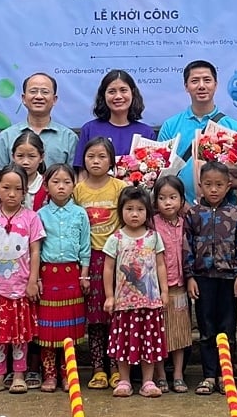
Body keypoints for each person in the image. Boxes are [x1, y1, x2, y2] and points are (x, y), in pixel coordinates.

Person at [0, 164, 45, 394]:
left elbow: (35, 251)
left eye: (18, 189)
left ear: (25, 191)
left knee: (20, 336)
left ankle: (18, 375)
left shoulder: (32, 218)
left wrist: (33, 281)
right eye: (6, 188)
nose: (12, 193)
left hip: (21, 287)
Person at [183, 160, 237, 396]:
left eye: (219, 185)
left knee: (227, 328)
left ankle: (225, 374)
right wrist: (189, 276)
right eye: (208, 184)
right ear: (199, 186)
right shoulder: (193, 214)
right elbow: (186, 247)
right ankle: (209, 375)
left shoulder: (234, 214)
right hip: (202, 279)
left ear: (229, 186)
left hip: (228, 279)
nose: (213, 189)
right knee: (206, 328)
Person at [104, 186, 169, 398]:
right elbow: (108, 268)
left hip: (150, 301)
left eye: (140, 209)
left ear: (148, 212)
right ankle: (124, 380)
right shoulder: (116, 238)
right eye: (129, 209)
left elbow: (160, 265)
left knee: (148, 341)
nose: (134, 214)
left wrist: (164, 291)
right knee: (124, 340)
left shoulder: (153, 237)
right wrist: (110, 296)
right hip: (124, 303)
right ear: (121, 211)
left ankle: (148, 381)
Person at [73, 137, 127, 389]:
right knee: (95, 319)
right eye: (91, 156)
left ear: (111, 160)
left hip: (116, 258)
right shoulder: (78, 190)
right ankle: (98, 369)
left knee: (114, 315)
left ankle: (116, 366)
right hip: (89, 258)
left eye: (102, 156)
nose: (96, 161)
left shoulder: (120, 187)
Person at [157, 60, 237, 204]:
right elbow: (161, 174)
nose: (201, 86)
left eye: (207, 80)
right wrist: (181, 205)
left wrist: (223, 181)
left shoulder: (234, 127)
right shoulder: (170, 126)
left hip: (223, 212)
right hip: (178, 212)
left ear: (215, 85)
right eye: (195, 81)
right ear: (186, 87)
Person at [35, 163, 90, 392]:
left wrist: (84, 275)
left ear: (73, 185)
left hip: (72, 275)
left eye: (66, 182)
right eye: (56, 182)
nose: (61, 187)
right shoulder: (39, 215)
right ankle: (49, 375)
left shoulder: (80, 214)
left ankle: (69, 374)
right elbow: (35, 249)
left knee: (69, 329)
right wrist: (36, 277)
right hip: (48, 275)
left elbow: (85, 247)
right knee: (48, 329)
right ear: (46, 186)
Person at [153, 175, 192, 393]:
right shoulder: (152, 224)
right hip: (157, 289)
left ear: (181, 199)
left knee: (180, 332)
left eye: (173, 197)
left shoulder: (187, 223)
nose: (168, 202)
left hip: (181, 287)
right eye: (162, 198)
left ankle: (178, 374)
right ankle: (160, 375)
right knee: (158, 333)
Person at [0, 72, 78, 170]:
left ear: (54, 99)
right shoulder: (6, 137)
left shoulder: (69, 138)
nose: (39, 96)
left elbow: (74, 178)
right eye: (33, 91)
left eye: (45, 92)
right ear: (24, 98)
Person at [74, 70, 156, 165]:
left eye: (123, 90)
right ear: (103, 96)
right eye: (112, 91)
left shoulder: (146, 132)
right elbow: (81, 173)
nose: (118, 96)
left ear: (133, 93)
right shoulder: (89, 130)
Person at [14, 132, 48, 210]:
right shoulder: (5, 183)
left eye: (32, 156)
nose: (25, 162)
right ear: (13, 157)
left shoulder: (47, 185)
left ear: (41, 157)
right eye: (20, 156)